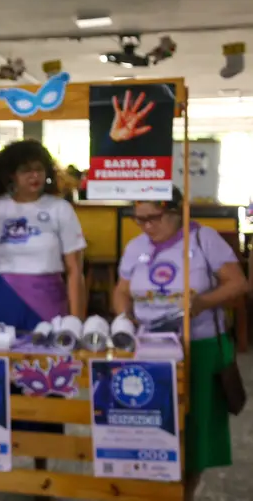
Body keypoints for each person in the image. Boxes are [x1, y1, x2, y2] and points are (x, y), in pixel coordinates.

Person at [113, 188, 246, 495]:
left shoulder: (204, 240)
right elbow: (122, 290)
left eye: (154, 218)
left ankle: (186, 490)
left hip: (197, 345)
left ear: (176, 212)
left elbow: (238, 283)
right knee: (152, 420)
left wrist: (202, 302)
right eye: (139, 219)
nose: (147, 226)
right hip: (149, 346)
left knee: (195, 425)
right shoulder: (135, 247)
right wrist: (124, 316)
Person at [0, 139, 87, 328]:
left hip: (46, 300)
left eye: (39, 169)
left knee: (47, 356)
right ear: (12, 175)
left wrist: (77, 324)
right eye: (26, 170)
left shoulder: (60, 209)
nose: (34, 176)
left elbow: (75, 271)